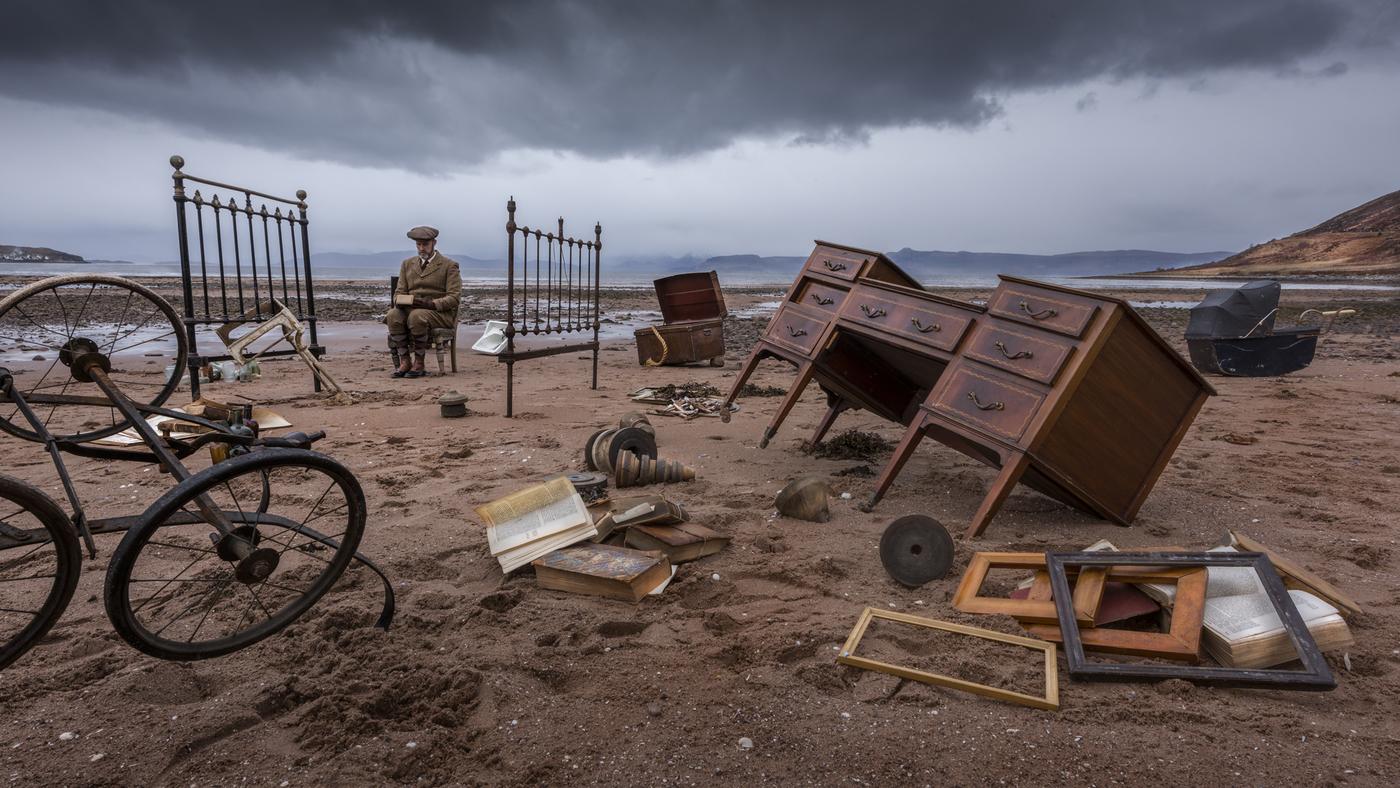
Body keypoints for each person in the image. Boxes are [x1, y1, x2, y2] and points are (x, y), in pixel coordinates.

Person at [387, 226, 461, 378]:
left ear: (434, 243)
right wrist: (400, 300)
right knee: (393, 314)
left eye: (425, 244)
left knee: (417, 315)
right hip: (412, 310)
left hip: (439, 314)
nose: (421, 248)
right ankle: (405, 361)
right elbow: (399, 292)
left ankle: (419, 363)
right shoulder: (407, 264)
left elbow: (454, 298)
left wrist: (429, 304)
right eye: (418, 245)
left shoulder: (449, 265)